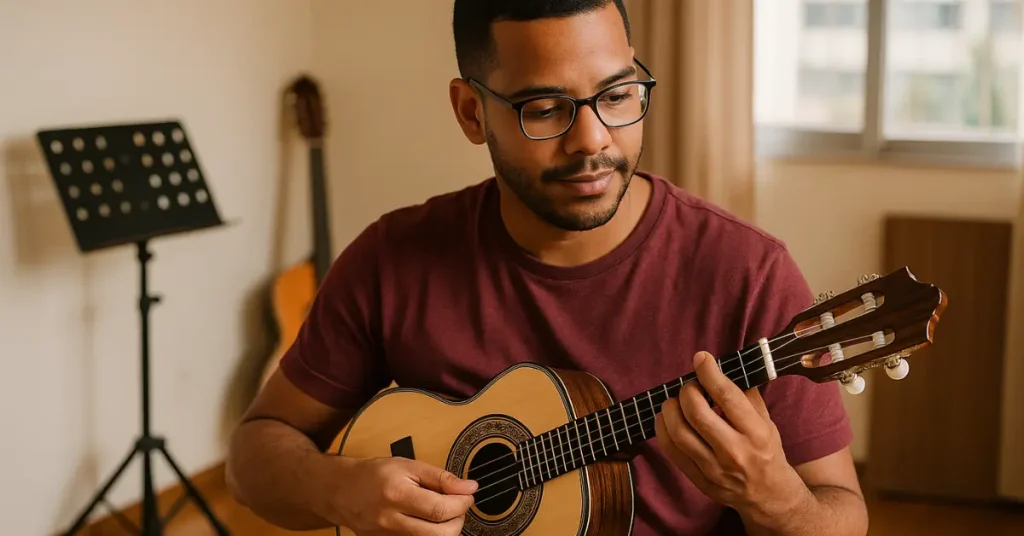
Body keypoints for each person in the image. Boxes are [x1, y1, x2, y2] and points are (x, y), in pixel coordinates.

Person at [225, 1, 869, 534]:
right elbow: (254, 455)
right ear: (471, 113)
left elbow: (842, 514)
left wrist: (775, 499)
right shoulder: (391, 261)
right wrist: (338, 488)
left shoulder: (747, 272)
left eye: (617, 94)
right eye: (544, 109)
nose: (592, 139)